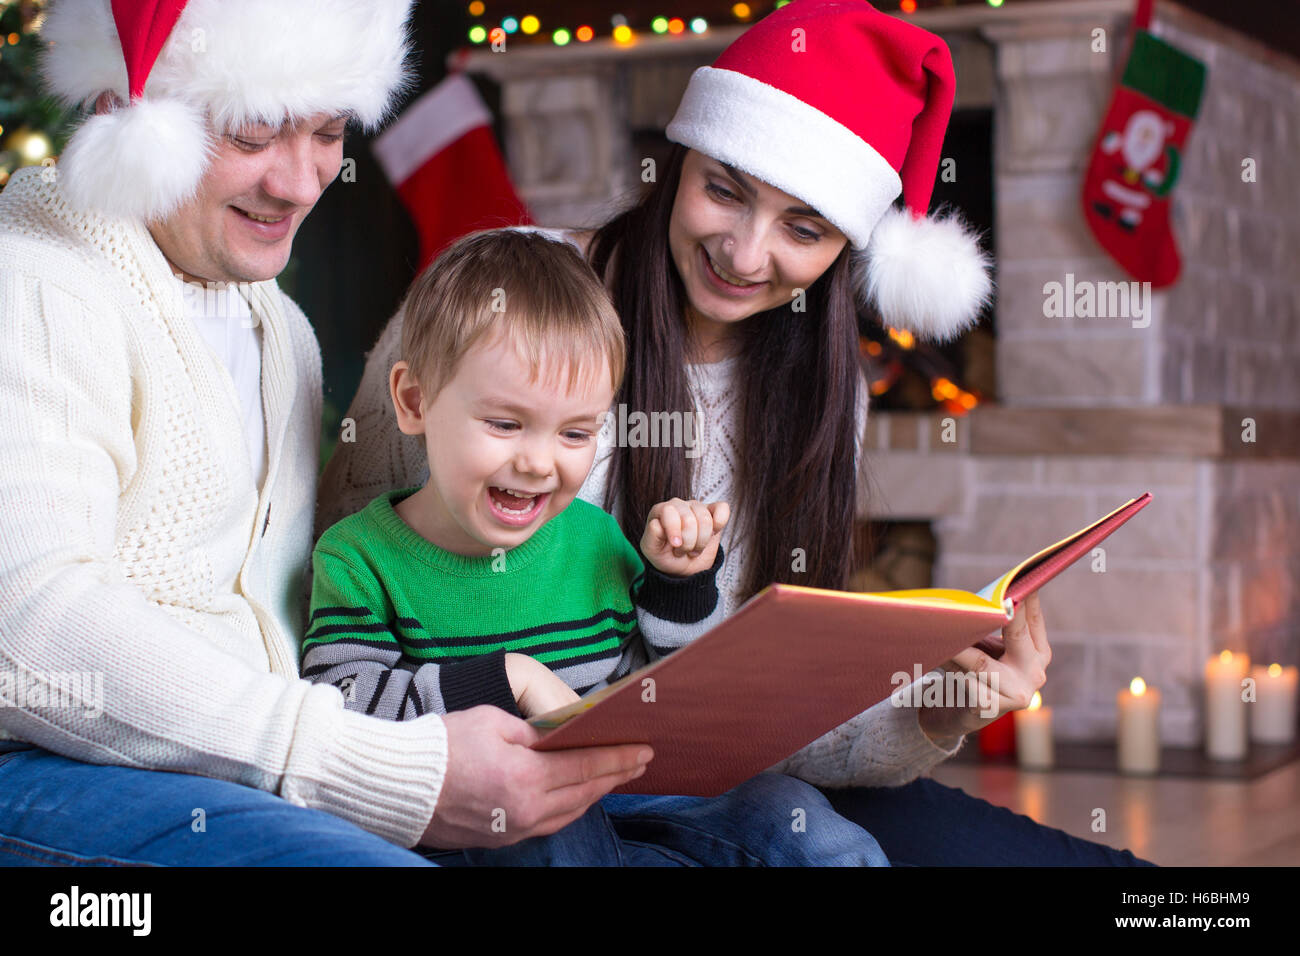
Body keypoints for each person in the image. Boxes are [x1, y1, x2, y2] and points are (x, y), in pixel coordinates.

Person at [318, 0, 1154, 865]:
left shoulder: (825, 393)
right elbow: (339, 588)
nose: (747, 256)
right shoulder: (505, 309)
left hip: (703, 784)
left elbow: (752, 725)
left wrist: (939, 702)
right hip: (485, 782)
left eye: (804, 227)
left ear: (847, 247)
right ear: (677, 163)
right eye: (724, 190)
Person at [0, 0, 653, 867]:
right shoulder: (35, 285)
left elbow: (353, 570)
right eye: (255, 131)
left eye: (328, 131)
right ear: (132, 115)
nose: (302, 182)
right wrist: (366, 766)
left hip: (260, 774)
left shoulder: (284, 332)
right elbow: (30, 630)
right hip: (55, 770)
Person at [304, 226, 890, 866]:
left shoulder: (592, 537)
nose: (537, 463)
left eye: (575, 434)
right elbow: (344, 710)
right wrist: (507, 679)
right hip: (490, 808)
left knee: (791, 819)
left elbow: (657, 682)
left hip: (626, 791)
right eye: (504, 424)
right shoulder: (359, 558)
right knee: (542, 828)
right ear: (414, 401)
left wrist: (678, 583)